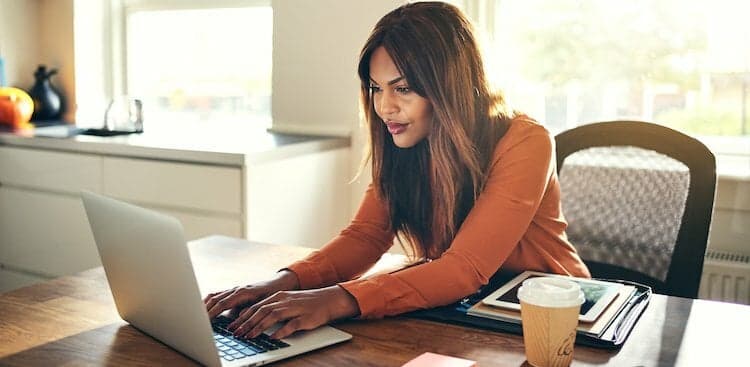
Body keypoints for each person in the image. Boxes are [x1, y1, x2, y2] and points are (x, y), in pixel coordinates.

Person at [204, 1, 590, 340]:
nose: (384, 107)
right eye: (376, 88)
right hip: (463, 312)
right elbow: (367, 236)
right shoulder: (404, 138)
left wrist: (335, 299)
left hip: (555, 316)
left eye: (402, 88)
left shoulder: (526, 140)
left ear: (450, 86)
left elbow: (463, 268)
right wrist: (280, 282)